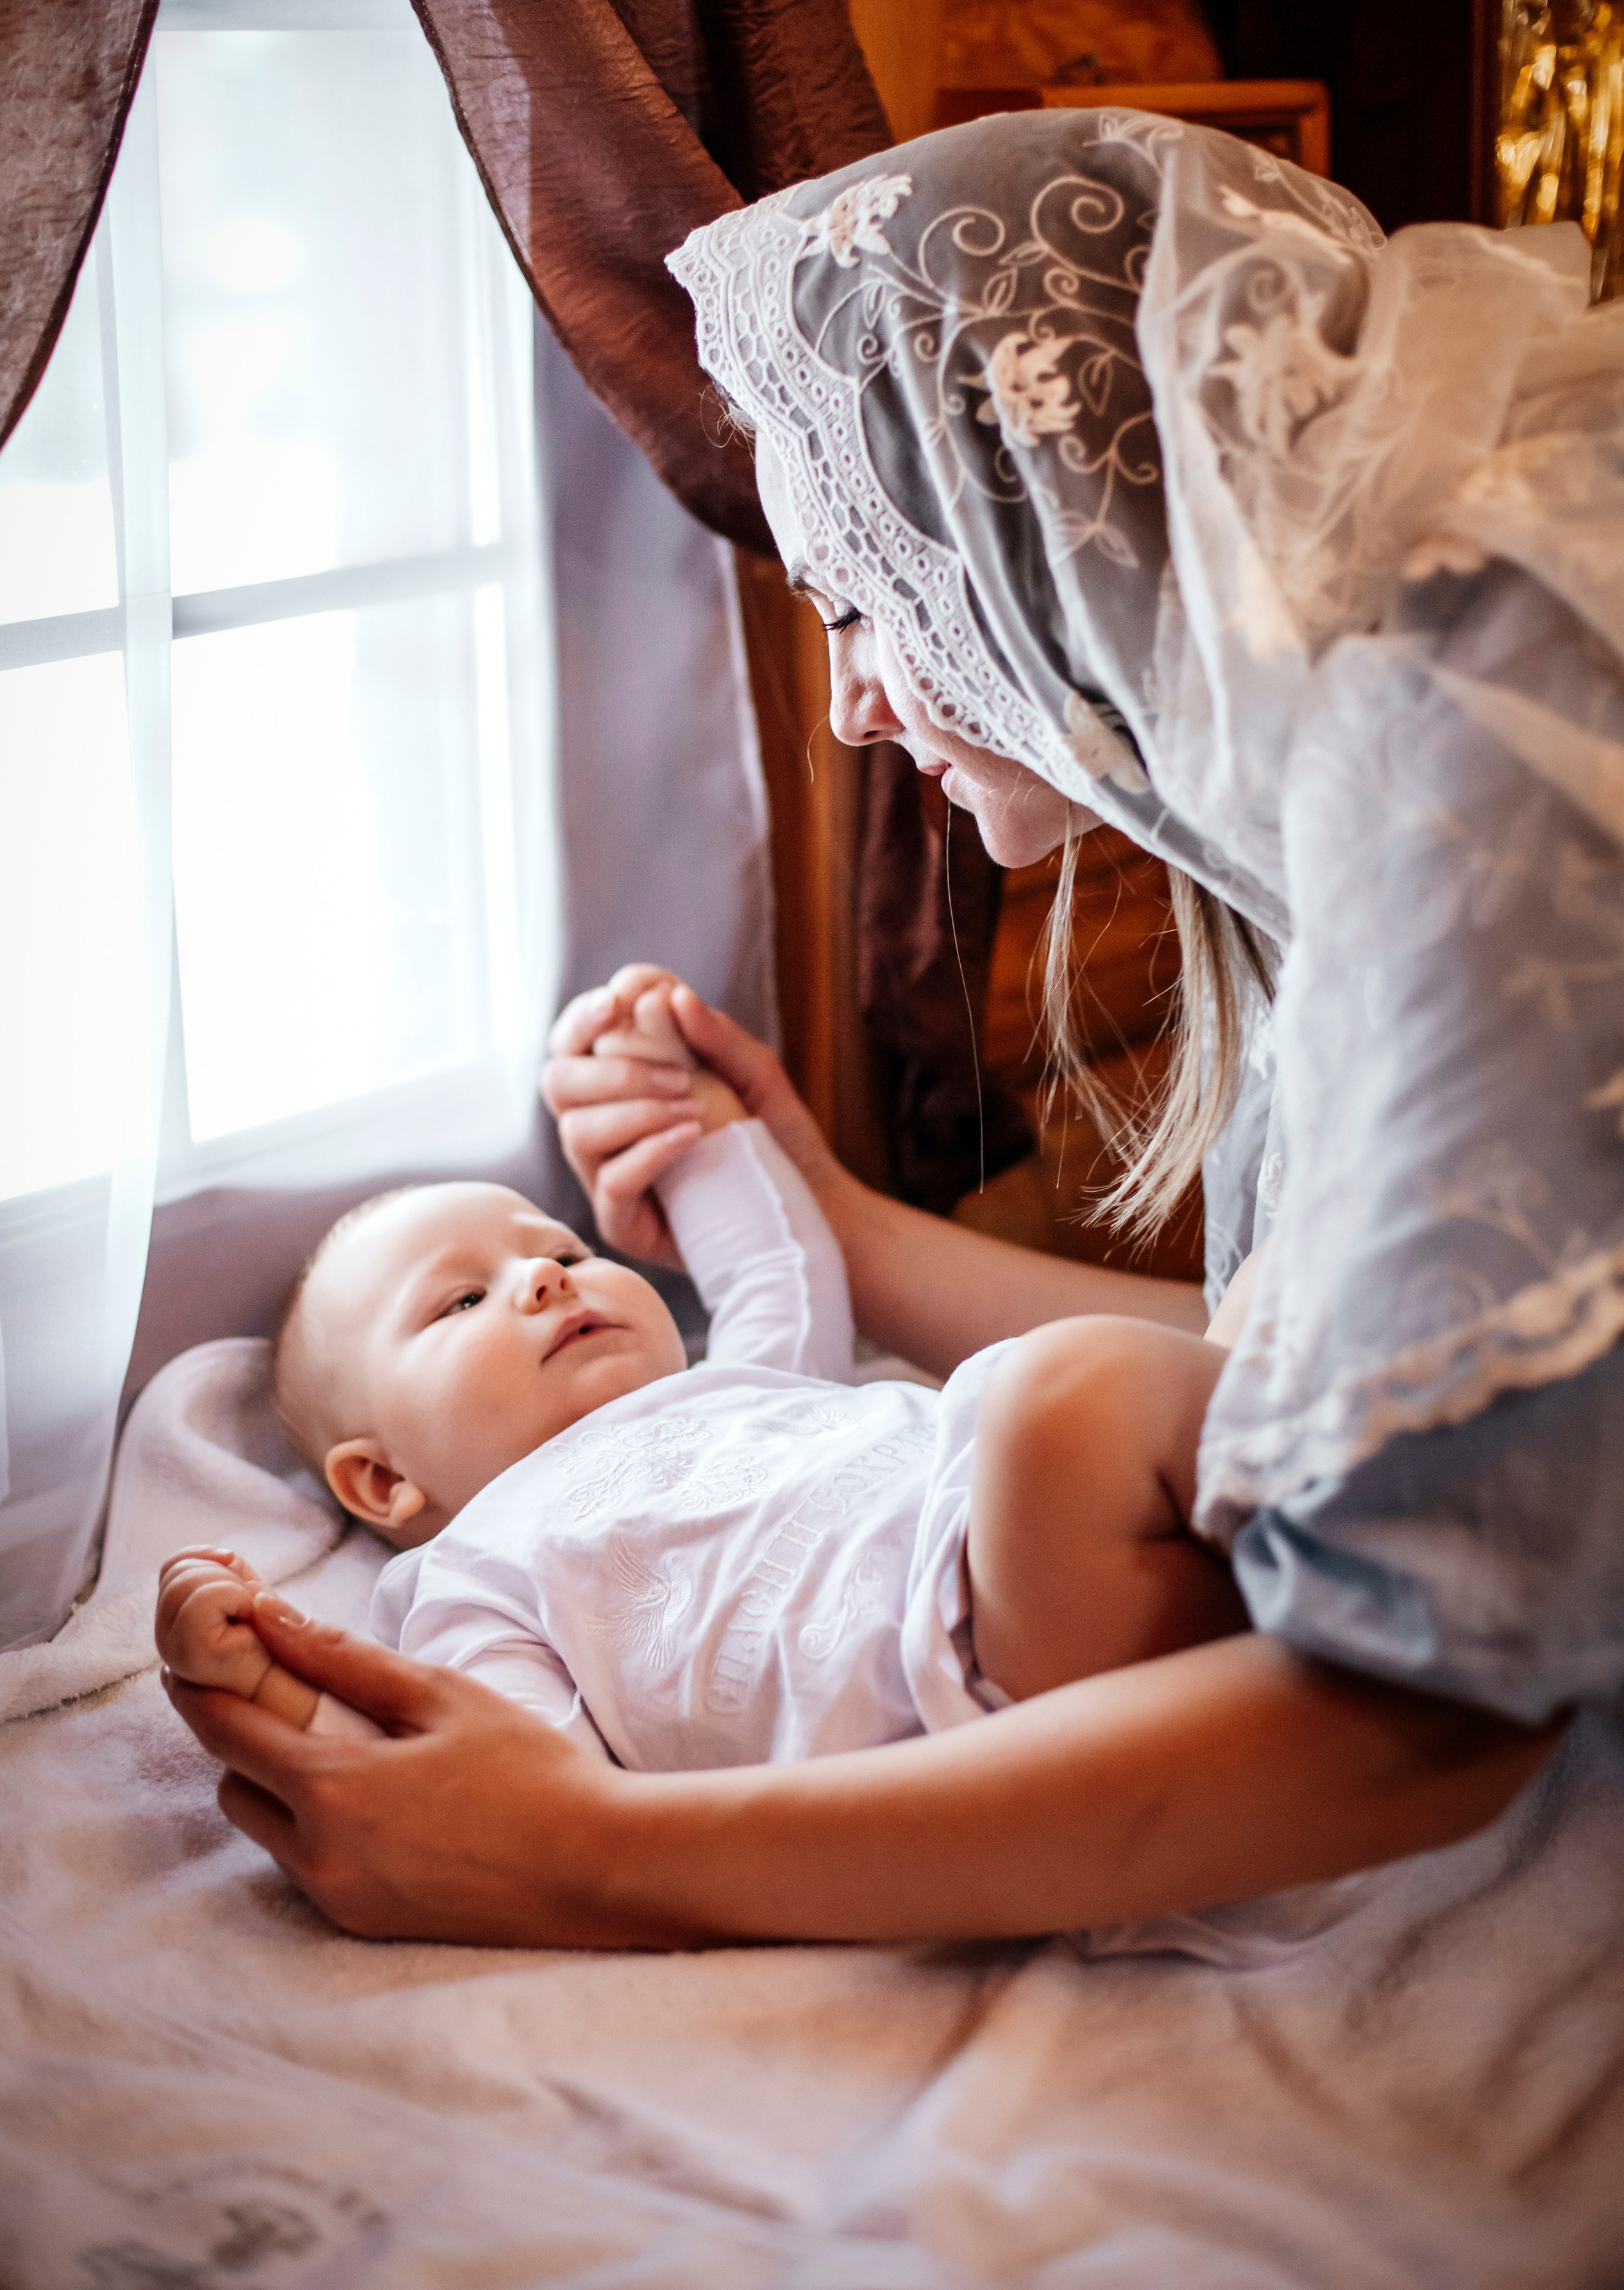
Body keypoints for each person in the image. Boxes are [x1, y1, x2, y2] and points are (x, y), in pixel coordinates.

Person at [164, 108, 1623, 1947]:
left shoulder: (1481, 803)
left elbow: (1418, 1708)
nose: (853, 703)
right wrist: (830, 1222)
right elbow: (1380, 1392)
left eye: (863, 596)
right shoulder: (1374, 760)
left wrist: (569, 1852)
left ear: (1042, 532)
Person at [156, 978, 1251, 1774]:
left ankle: (1318, 1583)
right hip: (963, 1684)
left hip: (1046, 1548)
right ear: (386, 1484)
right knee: (1087, 1393)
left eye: (567, 1254)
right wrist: (268, 1677)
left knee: (1158, 1376)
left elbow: (779, 1263)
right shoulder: (478, 1579)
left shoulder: (741, 1385)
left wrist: (686, 1121)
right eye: (462, 1302)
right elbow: (496, 1775)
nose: (540, 1275)